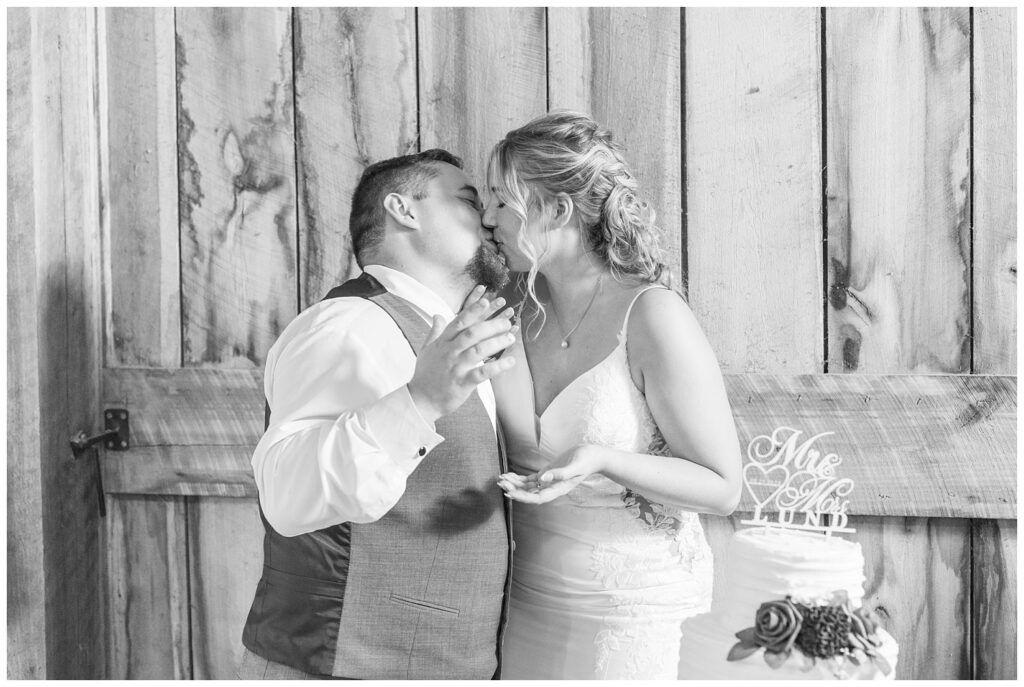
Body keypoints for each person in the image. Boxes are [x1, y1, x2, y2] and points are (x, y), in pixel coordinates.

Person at [238, 149, 518, 679]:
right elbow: (286, 495)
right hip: (343, 666)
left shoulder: (453, 334)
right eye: (466, 200)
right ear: (402, 209)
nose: (485, 218)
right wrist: (421, 402)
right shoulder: (346, 325)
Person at [485, 112, 743, 680]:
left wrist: (602, 459)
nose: (488, 218)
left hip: (636, 605)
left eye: (503, 202)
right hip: (527, 599)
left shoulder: (652, 315)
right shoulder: (511, 307)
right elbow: (527, 454)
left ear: (557, 209)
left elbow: (722, 488)